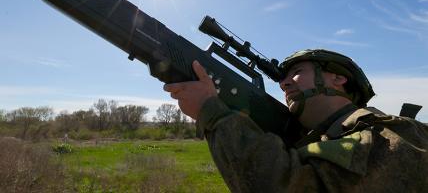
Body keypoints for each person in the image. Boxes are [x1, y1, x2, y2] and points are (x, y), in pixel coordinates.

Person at [164, 49, 428, 192]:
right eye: (283, 78)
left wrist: (213, 112)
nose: (284, 83)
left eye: (298, 73)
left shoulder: (385, 134)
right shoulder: (324, 137)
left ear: (338, 79)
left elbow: (288, 184)